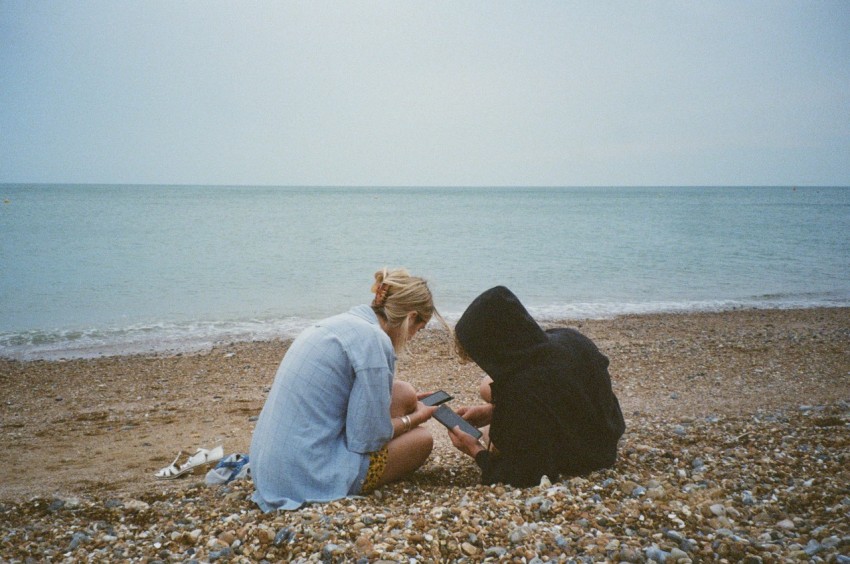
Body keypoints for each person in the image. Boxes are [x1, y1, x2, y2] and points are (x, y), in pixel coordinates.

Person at [250, 268, 445, 511]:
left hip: (268, 468)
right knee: (422, 440)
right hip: (304, 476)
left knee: (404, 392)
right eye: (420, 328)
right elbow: (366, 440)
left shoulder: (341, 323)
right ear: (411, 317)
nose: (414, 336)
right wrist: (414, 418)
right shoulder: (375, 341)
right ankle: (339, 480)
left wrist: (401, 403)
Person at [447, 286, 625, 487]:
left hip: (585, 457)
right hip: (605, 439)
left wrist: (474, 449)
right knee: (491, 388)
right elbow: (559, 393)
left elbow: (526, 474)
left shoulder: (521, 391)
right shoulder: (572, 338)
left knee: (496, 441)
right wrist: (493, 411)